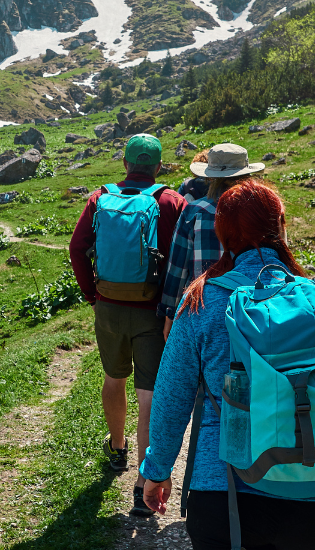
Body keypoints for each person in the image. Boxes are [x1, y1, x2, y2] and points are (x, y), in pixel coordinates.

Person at [139, 180, 315, 550]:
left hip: (223, 492)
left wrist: (157, 471)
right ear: (281, 225)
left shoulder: (202, 301)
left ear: (223, 235)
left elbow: (171, 397)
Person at [68, 133, 187, 518]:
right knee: (148, 397)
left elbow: (76, 248)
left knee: (113, 378)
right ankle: (142, 484)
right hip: (153, 312)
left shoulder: (99, 197)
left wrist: (93, 295)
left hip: (109, 306)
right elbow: (179, 259)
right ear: (157, 166)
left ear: (125, 164)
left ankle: (117, 448)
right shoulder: (169, 201)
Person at [160, 144, 264, 338]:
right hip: (256, 310)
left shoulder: (195, 212)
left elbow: (177, 269)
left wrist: (169, 315)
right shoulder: (263, 211)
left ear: (211, 177)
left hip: (205, 310)